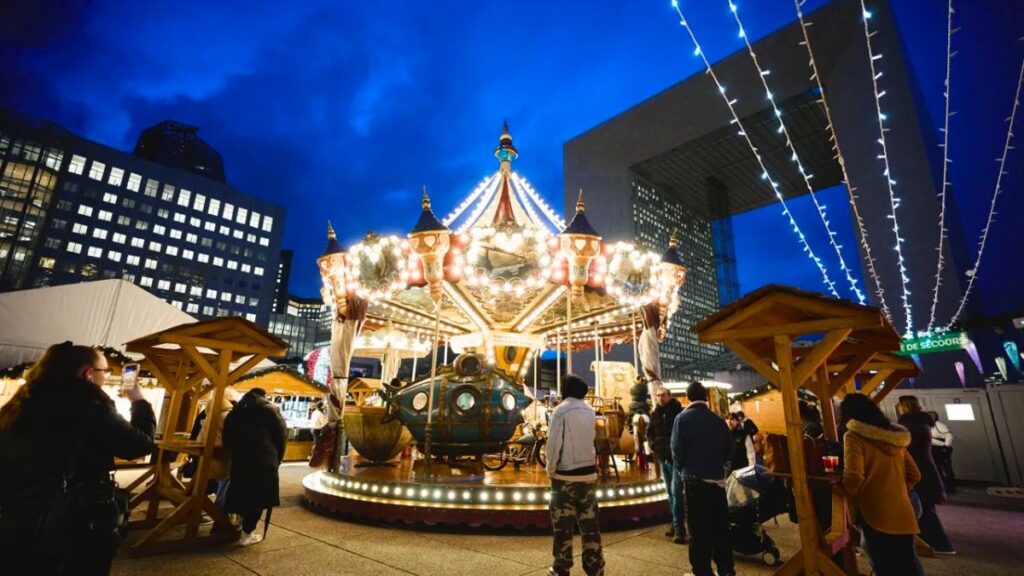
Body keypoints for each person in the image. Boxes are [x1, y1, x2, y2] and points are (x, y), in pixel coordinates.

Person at [0, 342, 155, 575]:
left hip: (18, 516)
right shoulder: (91, 406)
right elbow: (139, 445)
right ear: (89, 373)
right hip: (73, 521)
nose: (106, 376)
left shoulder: (20, 405)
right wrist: (139, 402)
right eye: (105, 371)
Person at [837, 393, 923, 575]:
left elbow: (854, 476)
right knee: (907, 562)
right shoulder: (894, 436)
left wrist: (843, 490)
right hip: (903, 510)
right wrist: (897, 490)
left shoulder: (854, 436)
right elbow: (914, 473)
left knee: (884, 563)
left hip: (875, 511)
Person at [672, 382, 734, 576]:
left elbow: (676, 451)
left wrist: (682, 469)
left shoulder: (682, 419)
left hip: (695, 482)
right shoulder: (718, 420)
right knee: (720, 529)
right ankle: (726, 570)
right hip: (717, 482)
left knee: (699, 531)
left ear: (688, 397)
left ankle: (702, 571)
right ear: (705, 397)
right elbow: (728, 451)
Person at [545, 374, 604, 576]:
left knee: (563, 527)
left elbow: (553, 445)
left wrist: (550, 469)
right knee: (590, 525)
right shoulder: (590, 411)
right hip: (588, 475)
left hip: (566, 476)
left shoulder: (560, 411)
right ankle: (595, 566)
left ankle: (561, 566)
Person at [222, 387, 287, 546]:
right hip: (264, 459)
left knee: (241, 493)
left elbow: (227, 438)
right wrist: (278, 457)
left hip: (240, 459)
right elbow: (281, 435)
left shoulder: (235, 412)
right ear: (263, 396)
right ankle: (247, 533)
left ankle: (238, 527)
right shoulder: (269, 410)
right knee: (258, 497)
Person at [897, 395, 955, 554]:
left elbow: (904, 446)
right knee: (924, 507)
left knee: (922, 508)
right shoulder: (921, 422)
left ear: (905, 407)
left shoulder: (910, 425)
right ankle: (935, 542)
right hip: (925, 469)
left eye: (900, 405)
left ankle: (940, 544)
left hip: (918, 471)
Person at [647, 387, 686, 543]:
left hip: (675, 458)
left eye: (663, 395)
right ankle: (675, 522)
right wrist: (653, 445)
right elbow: (650, 432)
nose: (660, 398)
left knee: (677, 492)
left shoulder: (678, 413)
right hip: (662, 457)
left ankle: (680, 527)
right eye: (658, 396)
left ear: (669, 396)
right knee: (670, 493)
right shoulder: (655, 414)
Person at [199, 386, 241, 509]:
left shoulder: (211, 413)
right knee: (227, 482)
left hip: (207, 455)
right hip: (221, 456)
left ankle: (212, 511)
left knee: (219, 484)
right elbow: (235, 436)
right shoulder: (226, 415)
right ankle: (219, 514)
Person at [929, 410, 955, 494]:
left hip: (941, 449)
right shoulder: (931, 426)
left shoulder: (940, 425)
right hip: (935, 448)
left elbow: (949, 435)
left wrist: (946, 447)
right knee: (938, 468)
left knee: (946, 468)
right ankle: (943, 486)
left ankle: (950, 487)